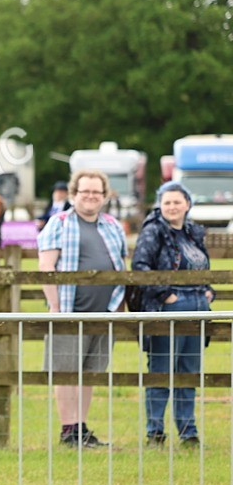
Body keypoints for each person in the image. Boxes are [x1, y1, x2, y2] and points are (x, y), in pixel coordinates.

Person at [37, 169, 127, 447]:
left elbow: (122, 268)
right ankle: (68, 429)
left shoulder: (113, 225)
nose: (90, 197)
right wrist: (55, 306)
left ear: (104, 196)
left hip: (104, 313)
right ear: (74, 194)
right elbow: (46, 266)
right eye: (85, 192)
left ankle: (82, 427)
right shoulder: (59, 223)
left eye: (96, 192)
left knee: (89, 373)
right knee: (66, 371)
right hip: (69, 311)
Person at [132, 182, 215, 447]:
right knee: (162, 369)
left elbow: (202, 265)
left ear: (187, 204)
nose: (172, 207)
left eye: (177, 202)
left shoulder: (192, 232)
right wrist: (165, 294)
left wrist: (207, 290)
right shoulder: (153, 231)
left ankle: (188, 432)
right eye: (167, 202)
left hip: (198, 303)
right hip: (169, 304)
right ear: (160, 205)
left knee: (189, 371)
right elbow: (140, 266)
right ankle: (155, 432)